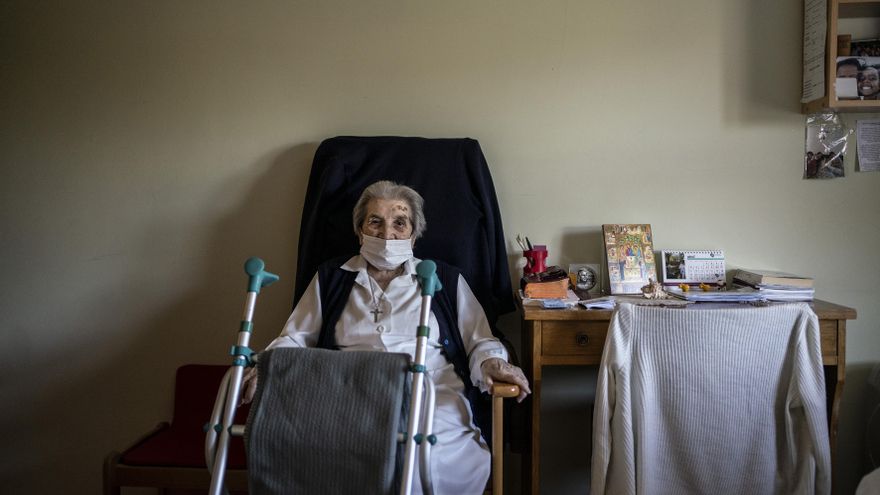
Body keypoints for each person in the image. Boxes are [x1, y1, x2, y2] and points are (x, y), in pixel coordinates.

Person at [242, 180, 531, 494]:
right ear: (359, 230)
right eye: (375, 222)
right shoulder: (332, 278)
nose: (387, 233)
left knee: (424, 455)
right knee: (333, 452)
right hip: (347, 391)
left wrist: (492, 363)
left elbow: (479, 341)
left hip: (430, 391)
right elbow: (295, 338)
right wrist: (266, 367)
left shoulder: (444, 278)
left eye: (399, 222)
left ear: (415, 233)